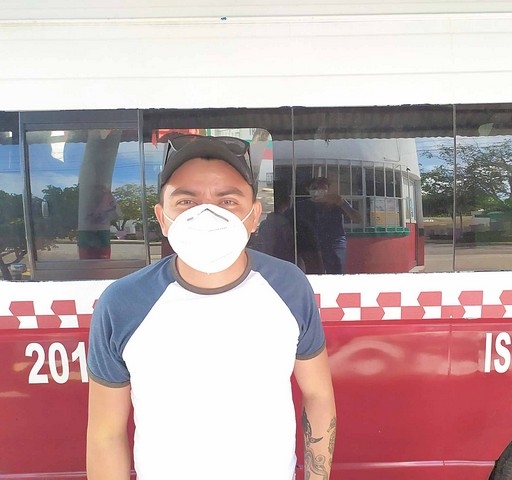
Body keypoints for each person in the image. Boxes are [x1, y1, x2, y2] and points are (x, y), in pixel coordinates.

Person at [86, 135, 336, 480]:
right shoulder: (122, 302)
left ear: (254, 216)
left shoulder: (289, 287)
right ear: (162, 217)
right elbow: (105, 434)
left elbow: (318, 395)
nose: (207, 214)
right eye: (186, 200)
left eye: (228, 200)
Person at [289, 177, 362, 274]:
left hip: (335, 244)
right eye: (314, 188)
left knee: (337, 274)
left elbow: (358, 219)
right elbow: (286, 222)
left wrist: (342, 203)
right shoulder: (300, 206)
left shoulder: (336, 203)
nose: (318, 191)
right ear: (308, 189)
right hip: (311, 246)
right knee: (313, 274)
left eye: (322, 187)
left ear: (328, 189)